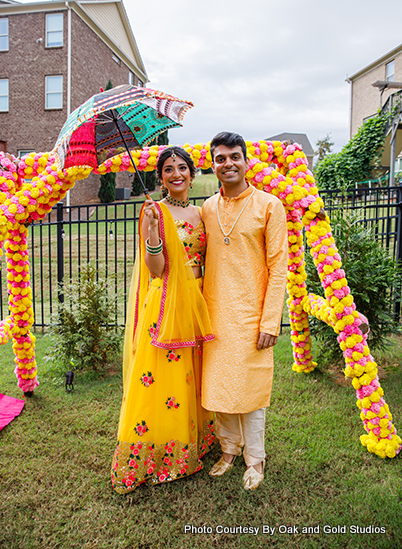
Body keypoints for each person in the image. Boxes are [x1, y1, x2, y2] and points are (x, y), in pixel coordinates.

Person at [111, 147, 216, 494]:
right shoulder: (152, 212)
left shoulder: (203, 213)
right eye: (168, 169)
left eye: (182, 167)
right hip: (167, 300)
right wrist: (154, 234)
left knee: (193, 373)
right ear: (160, 178)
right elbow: (154, 270)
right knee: (163, 377)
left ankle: (196, 441)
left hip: (197, 299)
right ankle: (160, 451)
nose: (176, 174)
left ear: (192, 172)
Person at [201, 132, 288, 490]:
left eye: (234, 156)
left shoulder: (269, 205)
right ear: (214, 164)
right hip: (214, 313)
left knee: (250, 391)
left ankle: (255, 459)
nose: (228, 164)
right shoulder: (208, 207)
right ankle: (228, 451)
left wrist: (271, 321)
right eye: (220, 158)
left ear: (246, 161)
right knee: (220, 387)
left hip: (253, 316)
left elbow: (279, 266)